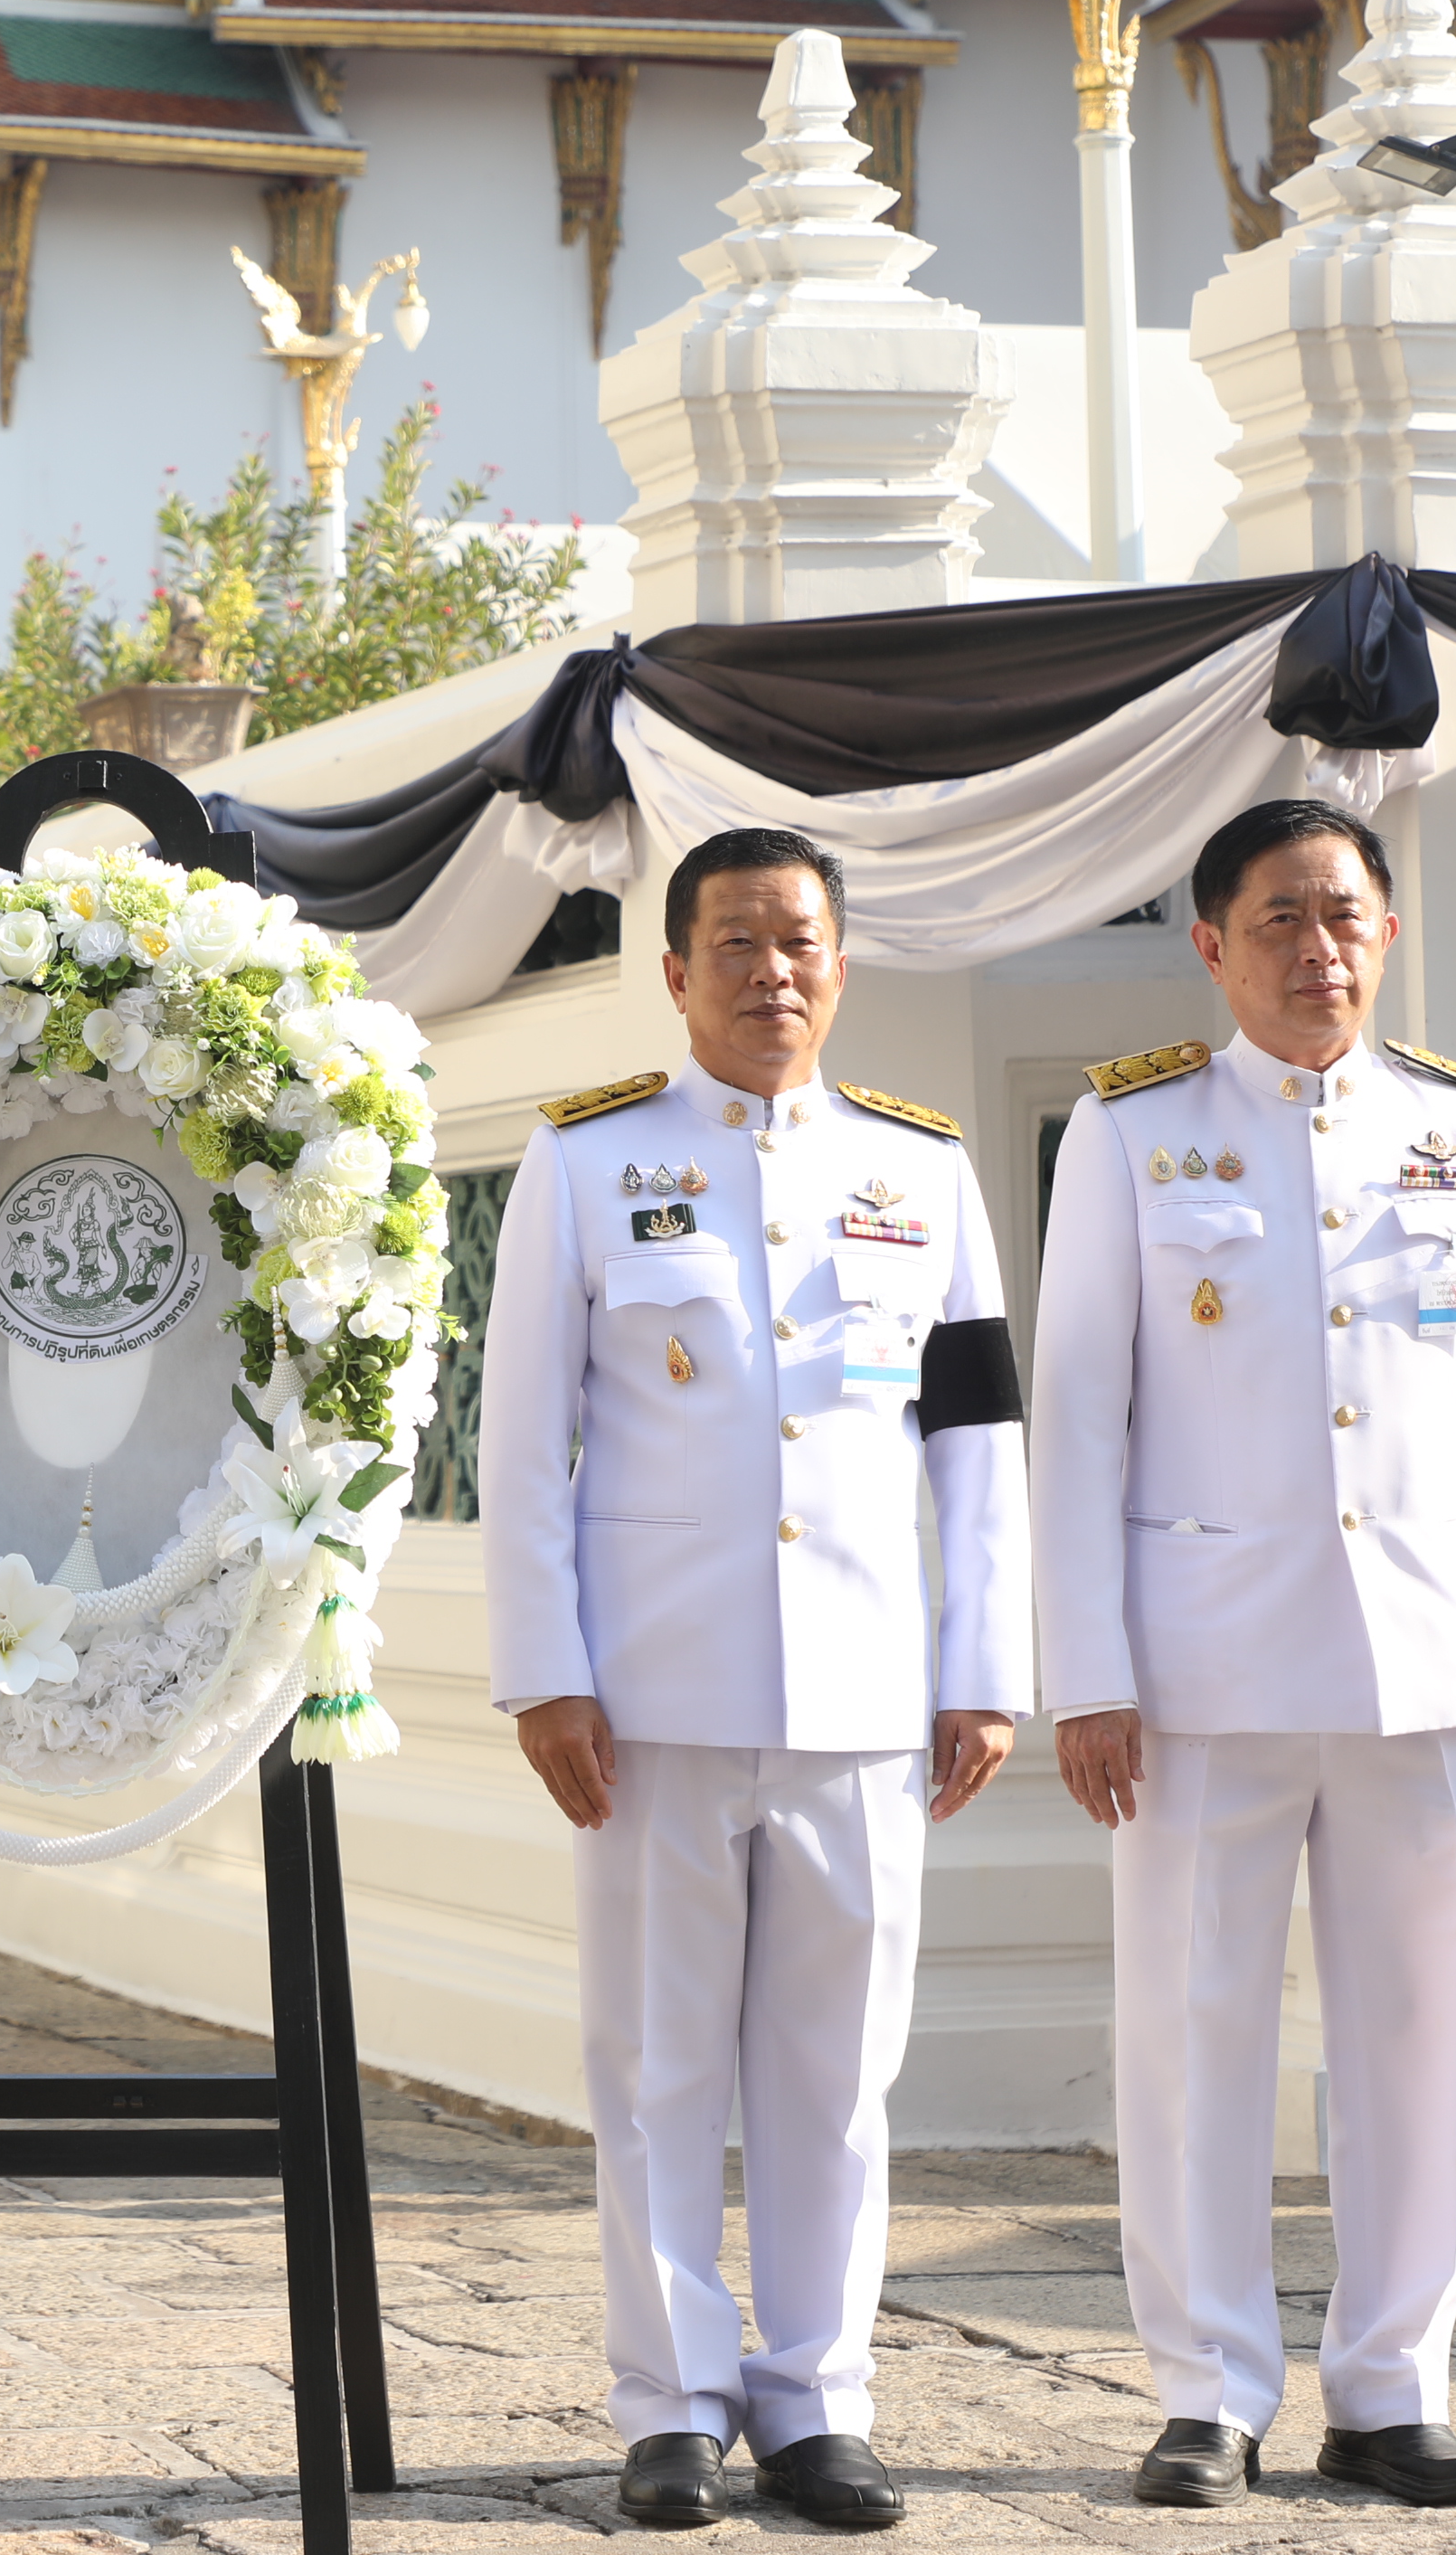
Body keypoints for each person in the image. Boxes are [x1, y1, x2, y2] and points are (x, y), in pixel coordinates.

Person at [1030, 796, 1456, 2512]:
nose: (1316, 948)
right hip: (1200, 1674)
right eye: (1278, 919)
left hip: (1429, 1660)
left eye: (1345, 915)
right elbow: (1083, 1416)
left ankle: (1390, 2388)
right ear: (1212, 946)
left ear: (1387, 934)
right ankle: (1207, 2389)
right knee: (1194, 2034)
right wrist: (1089, 1671)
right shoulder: (1131, 1136)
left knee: (1427, 2037)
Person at [480, 826, 1031, 2533]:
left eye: (799, 941)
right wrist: (544, 1673)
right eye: (735, 942)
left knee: (835, 2070)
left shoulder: (927, 1175)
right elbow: (523, 1450)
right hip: (650, 1697)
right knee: (652, 2066)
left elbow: (978, 1445)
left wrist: (984, 1666)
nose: (771, 971)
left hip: (866, 1693)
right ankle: (668, 2406)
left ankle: (818, 2399)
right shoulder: (584, 1167)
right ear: (676, 973)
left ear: (841, 967)